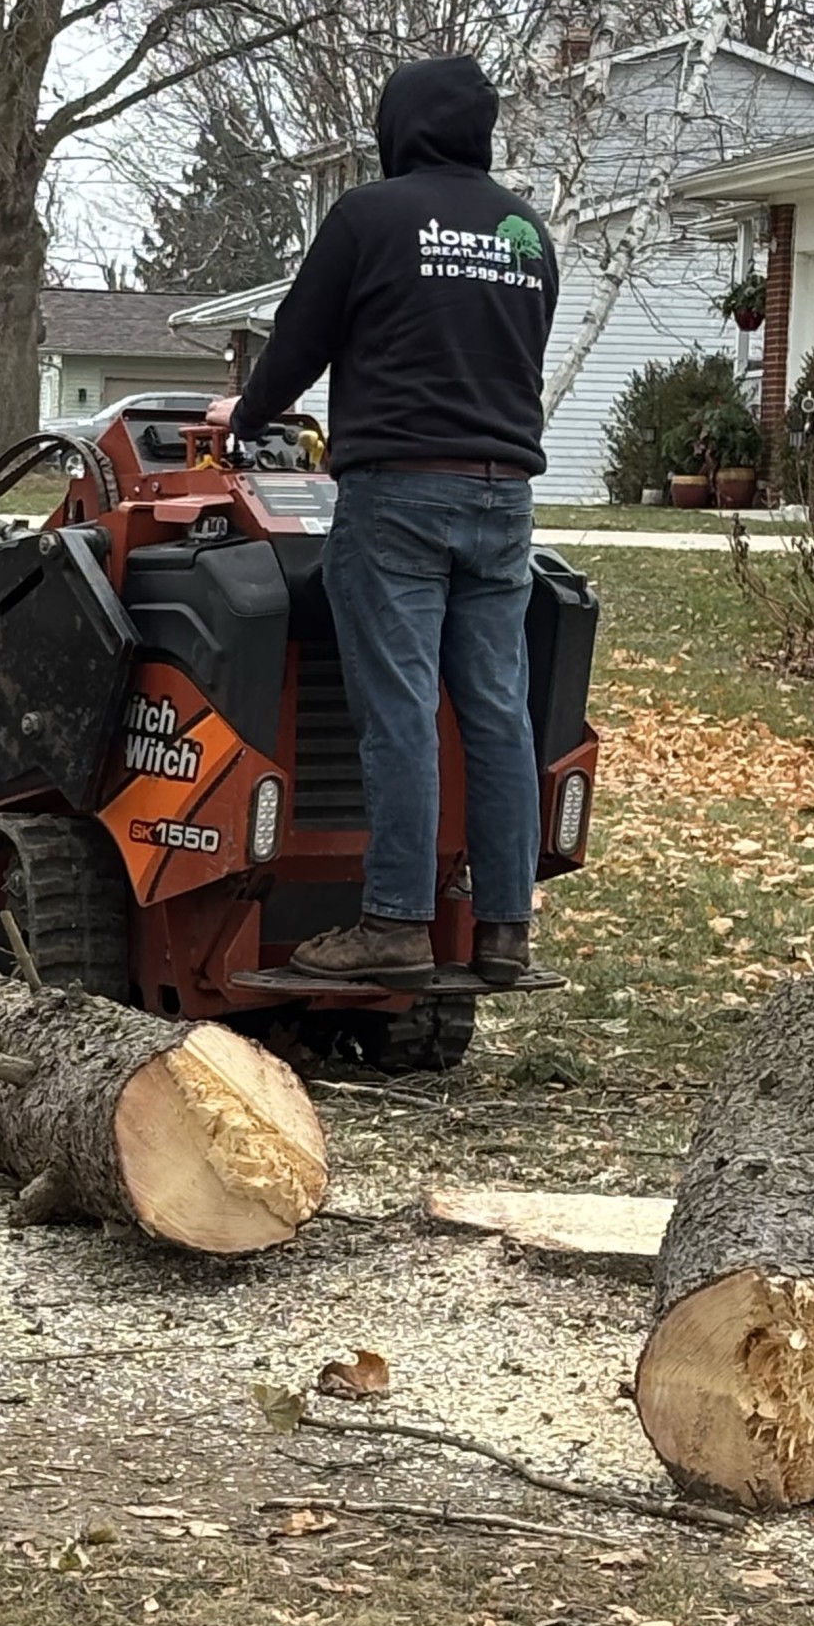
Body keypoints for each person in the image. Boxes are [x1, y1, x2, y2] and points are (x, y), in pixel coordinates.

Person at [214, 54, 560, 986]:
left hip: (398, 495)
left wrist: (246, 418)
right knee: (497, 712)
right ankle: (503, 929)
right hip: (504, 498)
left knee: (398, 710)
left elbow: (300, 339)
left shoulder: (370, 217)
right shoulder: (528, 230)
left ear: (398, 125)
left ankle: (396, 922)